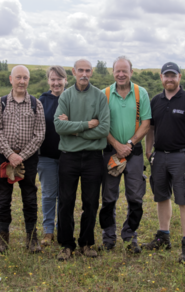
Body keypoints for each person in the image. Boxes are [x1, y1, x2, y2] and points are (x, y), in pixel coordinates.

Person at [144, 62, 185, 263]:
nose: (169, 79)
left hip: (182, 156)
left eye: (173, 75)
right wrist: (148, 150)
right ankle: (163, 237)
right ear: (161, 78)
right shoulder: (155, 100)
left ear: (179, 77)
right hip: (159, 156)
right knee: (161, 197)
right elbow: (150, 127)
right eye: (165, 75)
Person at [54, 59, 110, 261]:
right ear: (74, 72)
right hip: (68, 156)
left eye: (87, 70)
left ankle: (86, 243)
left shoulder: (100, 96)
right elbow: (59, 127)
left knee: (91, 202)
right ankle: (66, 245)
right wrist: (87, 125)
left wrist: (75, 131)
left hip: (93, 157)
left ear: (92, 72)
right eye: (80, 70)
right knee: (66, 202)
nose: (84, 74)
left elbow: (103, 129)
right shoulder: (66, 96)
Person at [98, 56, 151, 253]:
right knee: (108, 197)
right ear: (113, 72)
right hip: (110, 153)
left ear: (131, 72)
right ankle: (108, 237)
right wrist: (116, 145)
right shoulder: (104, 94)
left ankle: (130, 236)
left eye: (125, 71)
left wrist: (129, 143)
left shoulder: (140, 93)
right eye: (117, 71)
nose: (121, 74)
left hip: (134, 153)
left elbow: (146, 123)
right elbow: (102, 124)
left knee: (136, 197)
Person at [0, 65, 46, 254]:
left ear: (28, 80)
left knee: (30, 197)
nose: (22, 81)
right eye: (18, 77)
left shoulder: (35, 103)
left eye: (25, 78)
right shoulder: (1, 102)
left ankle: (32, 238)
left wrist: (21, 156)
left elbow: (39, 134)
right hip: (3, 157)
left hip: (27, 158)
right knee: (3, 197)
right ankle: (2, 238)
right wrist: (10, 154)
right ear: (10, 79)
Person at [37, 66, 68, 246]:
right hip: (46, 156)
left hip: (68, 155)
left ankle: (62, 228)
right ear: (48, 81)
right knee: (49, 194)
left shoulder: (72, 98)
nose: (56, 83)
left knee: (65, 195)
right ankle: (48, 230)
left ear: (65, 80)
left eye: (60, 79)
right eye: (53, 79)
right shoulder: (41, 101)